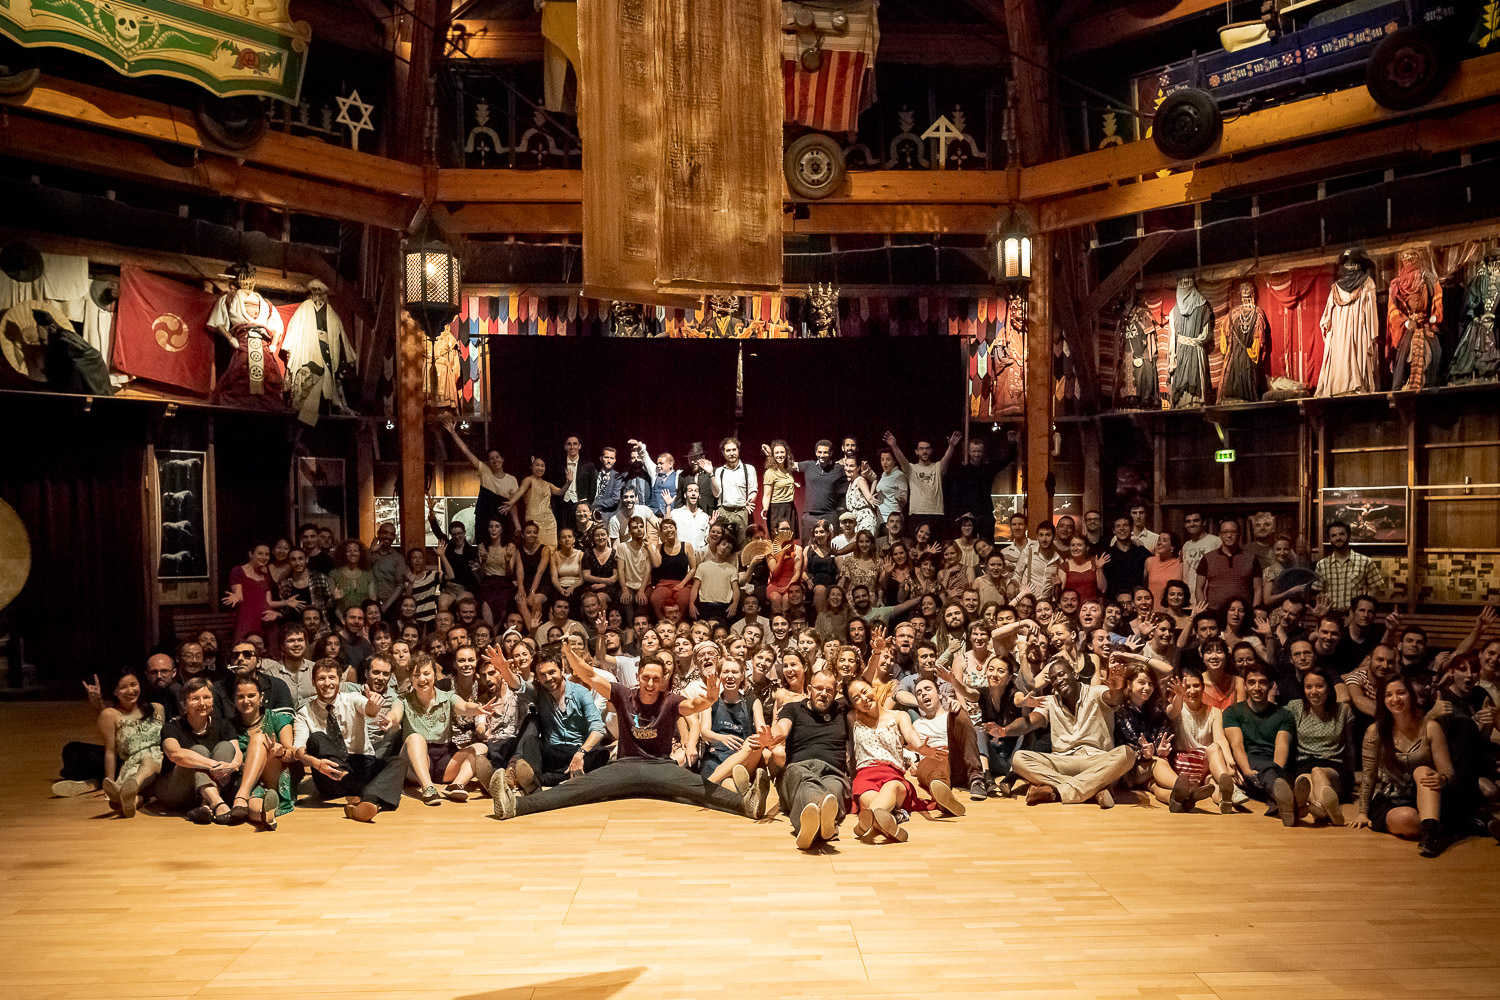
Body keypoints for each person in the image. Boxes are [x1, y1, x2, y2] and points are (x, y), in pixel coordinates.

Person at [490, 646, 773, 822]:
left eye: (656, 679)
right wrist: (570, 656)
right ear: (638, 676)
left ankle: (747, 805)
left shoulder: (671, 701)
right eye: (646, 677)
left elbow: (696, 705)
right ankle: (515, 806)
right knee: (574, 791)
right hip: (624, 768)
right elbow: (590, 676)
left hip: (660, 768)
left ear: (663, 680)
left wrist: (711, 698)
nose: (650, 683)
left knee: (701, 789)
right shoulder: (623, 694)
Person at [997, 656, 1136, 807]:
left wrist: (1116, 689)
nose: (1059, 680)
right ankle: (1094, 790)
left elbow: (1113, 699)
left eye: (1062, 674)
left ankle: (1056, 792)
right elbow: (1028, 723)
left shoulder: (1096, 692)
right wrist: (1005, 730)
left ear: (1075, 675)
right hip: (1063, 762)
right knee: (1019, 758)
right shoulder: (1050, 701)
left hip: (1097, 761)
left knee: (1127, 754)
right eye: (1054, 678)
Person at [1351, 675, 1457, 857]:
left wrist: (1443, 778)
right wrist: (1362, 812)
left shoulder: (1430, 727)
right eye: (1388, 695)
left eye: (1401, 693)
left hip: (1426, 794)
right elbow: (1368, 775)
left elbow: (1448, 771)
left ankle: (1430, 834)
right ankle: (1437, 826)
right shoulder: (1374, 732)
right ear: (1382, 700)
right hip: (1392, 797)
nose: (1395, 699)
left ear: (1411, 696)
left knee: (1423, 771)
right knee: (1406, 818)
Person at [489, 645, 608, 788]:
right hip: (552, 752)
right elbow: (518, 685)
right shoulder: (539, 692)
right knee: (530, 740)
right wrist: (503, 668)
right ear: (537, 677)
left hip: (577, 750)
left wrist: (580, 753)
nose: (548, 678)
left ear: (562, 670)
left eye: (552, 672)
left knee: (602, 754)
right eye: (542, 675)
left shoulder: (580, 693)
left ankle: (542, 780)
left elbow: (598, 728)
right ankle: (535, 781)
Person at [772, 669, 850, 850]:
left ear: (835, 692)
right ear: (809, 689)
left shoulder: (842, 710)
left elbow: (865, 689)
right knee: (806, 782)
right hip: (798, 768)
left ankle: (812, 828)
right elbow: (782, 728)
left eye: (829, 690)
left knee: (834, 789)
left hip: (834, 772)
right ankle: (825, 824)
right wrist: (773, 735)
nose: (823, 694)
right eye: (819, 688)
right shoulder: (793, 709)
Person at [391, 656, 487, 804]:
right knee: (415, 738)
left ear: (434, 675)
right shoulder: (402, 699)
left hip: (444, 759)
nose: (422, 679)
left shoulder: (448, 697)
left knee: (481, 747)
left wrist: (477, 709)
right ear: (411, 679)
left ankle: (456, 785)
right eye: (417, 675)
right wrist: (389, 719)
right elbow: (395, 714)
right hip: (415, 761)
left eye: (426, 673)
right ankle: (427, 788)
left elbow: (464, 707)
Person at [846, 678, 926, 842]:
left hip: (893, 775)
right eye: (856, 698)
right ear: (853, 704)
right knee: (872, 801)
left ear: (873, 688)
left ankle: (865, 825)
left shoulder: (899, 716)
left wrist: (919, 746)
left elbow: (909, 732)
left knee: (891, 788)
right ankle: (890, 820)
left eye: (864, 691)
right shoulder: (852, 718)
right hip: (865, 777)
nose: (863, 699)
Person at [156, 677, 243, 824]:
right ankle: (217, 803)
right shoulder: (172, 727)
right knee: (198, 751)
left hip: (209, 789)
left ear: (212, 702)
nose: (202, 703)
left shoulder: (223, 725)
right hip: (175, 790)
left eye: (206, 698)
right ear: (184, 704)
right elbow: (175, 755)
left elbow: (237, 751)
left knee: (226, 747)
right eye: (195, 699)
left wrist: (234, 765)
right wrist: (213, 765)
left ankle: (205, 806)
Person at [1222, 662, 1296, 825]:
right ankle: (1294, 802)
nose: (1257, 687)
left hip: (1274, 766)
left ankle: (1281, 803)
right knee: (1271, 774)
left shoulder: (1284, 715)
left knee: (1272, 772)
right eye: (1252, 682)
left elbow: (1282, 745)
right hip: (1248, 763)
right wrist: (1247, 770)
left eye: (1262, 682)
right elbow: (1237, 746)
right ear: (1245, 685)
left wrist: (1276, 773)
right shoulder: (1232, 712)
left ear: (1270, 685)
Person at [1164, 667, 1237, 813]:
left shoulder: (1215, 711)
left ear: (1203, 687)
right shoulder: (1177, 709)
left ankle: (1225, 799)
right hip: (1182, 768)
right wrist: (1178, 696)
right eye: (1187, 687)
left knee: (1212, 776)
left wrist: (1230, 762)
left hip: (1205, 766)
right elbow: (1173, 711)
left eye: (1196, 686)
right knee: (1211, 762)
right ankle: (1230, 791)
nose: (1192, 691)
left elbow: (1220, 738)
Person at [1288, 667, 1356, 826]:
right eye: (1308, 687)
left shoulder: (1343, 711)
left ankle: (1309, 808)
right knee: (1303, 781)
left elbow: (1350, 746)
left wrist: (1351, 775)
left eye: (1319, 686)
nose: (1313, 691)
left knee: (1317, 772)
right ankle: (1322, 808)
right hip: (1304, 763)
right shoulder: (1295, 707)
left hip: (1333, 765)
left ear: (1329, 689)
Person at [909, 677, 988, 811]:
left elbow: (968, 739)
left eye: (928, 689)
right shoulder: (916, 724)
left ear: (939, 694)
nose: (923, 694)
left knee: (960, 713)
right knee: (933, 764)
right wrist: (911, 761)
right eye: (919, 693)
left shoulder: (952, 715)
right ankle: (944, 800)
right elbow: (909, 749)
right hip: (933, 764)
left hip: (957, 763)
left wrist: (959, 708)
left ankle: (976, 779)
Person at [226, 676, 294, 829]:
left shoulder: (278, 718)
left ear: (261, 697)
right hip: (248, 780)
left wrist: (280, 752)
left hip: (274, 773)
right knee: (254, 808)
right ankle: (264, 815)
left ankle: (242, 795)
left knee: (258, 738)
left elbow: (292, 754)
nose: (246, 701)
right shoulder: (229, 726)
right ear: (234, 700)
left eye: (251, 695)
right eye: (241, 697)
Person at [96, 668, 165, 818]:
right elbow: (110, 751)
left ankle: (130, 791)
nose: (130, 691)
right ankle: (131, 798)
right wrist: (110, 783)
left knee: (149, 761)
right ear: (114, 692)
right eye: (123, 687)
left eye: (133, 685)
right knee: (141, 791)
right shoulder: (110, 715)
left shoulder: (157, 709)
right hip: (131, 767)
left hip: (160, 764)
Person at [883, 430, 960, 540]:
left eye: (927, 448)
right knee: (915, 549)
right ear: (916, 451)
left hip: (936, 513)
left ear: (931, 451)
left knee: (935, 548)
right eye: (921, 448)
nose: (924, 451)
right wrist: (894, 446)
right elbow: (901, 459)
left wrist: (952, 446)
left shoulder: (937, 467)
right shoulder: (911, 468)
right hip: (916, 513)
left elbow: (946, 459)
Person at [223, 543, 300, 641]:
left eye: (267, 554)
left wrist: (286, 602)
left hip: (266, 620)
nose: (264, 557)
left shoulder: (265, 575)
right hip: (247, 620)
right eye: (260, 553)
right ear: (251, 554)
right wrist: (235, 598)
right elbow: (239, 597)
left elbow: (269, 602)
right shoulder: (238, 571)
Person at [1314, 520, 1386, 612]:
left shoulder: (1365, 562)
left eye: (1341, 534)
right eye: (1333, 535)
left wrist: (1364, 611)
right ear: (1329, 539)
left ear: (1349, 536)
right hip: (1331, 617)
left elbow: (1375, 590)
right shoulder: (1322, 565)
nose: (1338, 538)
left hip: (1356, 617)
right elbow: (1320, 593)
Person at [1196, 519, 1262, 611]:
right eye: (1225, 532)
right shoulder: (1207, 558)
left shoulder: (1251, 558)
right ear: (1220, 535)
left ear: (1239, 534)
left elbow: (1258, 589)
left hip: (1242, 613)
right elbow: (1199, 588)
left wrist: (1255, 610)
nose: (1229, 535)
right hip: (1214, 612)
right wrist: (1203, 610)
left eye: (1233, 532)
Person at [704, 437, 758, 549]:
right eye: (728, 451)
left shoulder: (749, 469)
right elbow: (716, 493)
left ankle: (741, 567)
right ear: (723, 453)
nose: (731, 453)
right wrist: (711, 475)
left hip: (742, 511)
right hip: (724, 512)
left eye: (734, 450)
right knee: (723, 546)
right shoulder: (719, 471)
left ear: (738, 450)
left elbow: (753, 490)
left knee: (742, 546)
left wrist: (750, 500)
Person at [505, 456, 566, 548]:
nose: (540, 468)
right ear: (531, 467)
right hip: (534, 521)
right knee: (536, 548)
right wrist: (511, 502)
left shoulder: (548, 484)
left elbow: (561, 492)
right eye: (537, 465)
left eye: (542, 466)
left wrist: (569, 482)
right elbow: (520, 490)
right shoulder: (529, 480)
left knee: (551, 550)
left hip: (549, 522)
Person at [1101, 516, 1150, 598]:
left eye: (1125, 525)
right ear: (1113, 531)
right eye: (1118, 526)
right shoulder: (1105, 555)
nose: (1121, 529)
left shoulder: (1142, 553)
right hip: (1113, 603)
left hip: (1136, 602)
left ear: (1131, 528)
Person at [1179, 511, 1221, 604]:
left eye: (1196, 521)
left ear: (1204, 522)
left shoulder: (1216, 541)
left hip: (1210, 595)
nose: (1192, 524)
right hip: (1190, 597)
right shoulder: (1186, 545)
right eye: (1188, 521)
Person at [1054, 535, 1106, 605]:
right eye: (1073, 545)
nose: (1075, 548)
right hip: (1071, 607)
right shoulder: (1064, 566)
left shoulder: (1094, 562)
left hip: (1092, 607)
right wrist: (1057, 586)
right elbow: (1061, 595)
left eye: (1079, 545)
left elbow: (1102, 589)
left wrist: (1100, 568)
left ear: (1087, 548)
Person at [1144, 531, 1183, 608]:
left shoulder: (1181, 562)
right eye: (1159, 539)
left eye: (1164, 540)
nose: (1159, 543)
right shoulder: (1150, 561)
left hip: (1173, 610)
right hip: (1152, 609)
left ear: (1173, 546)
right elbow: (1143, 585)